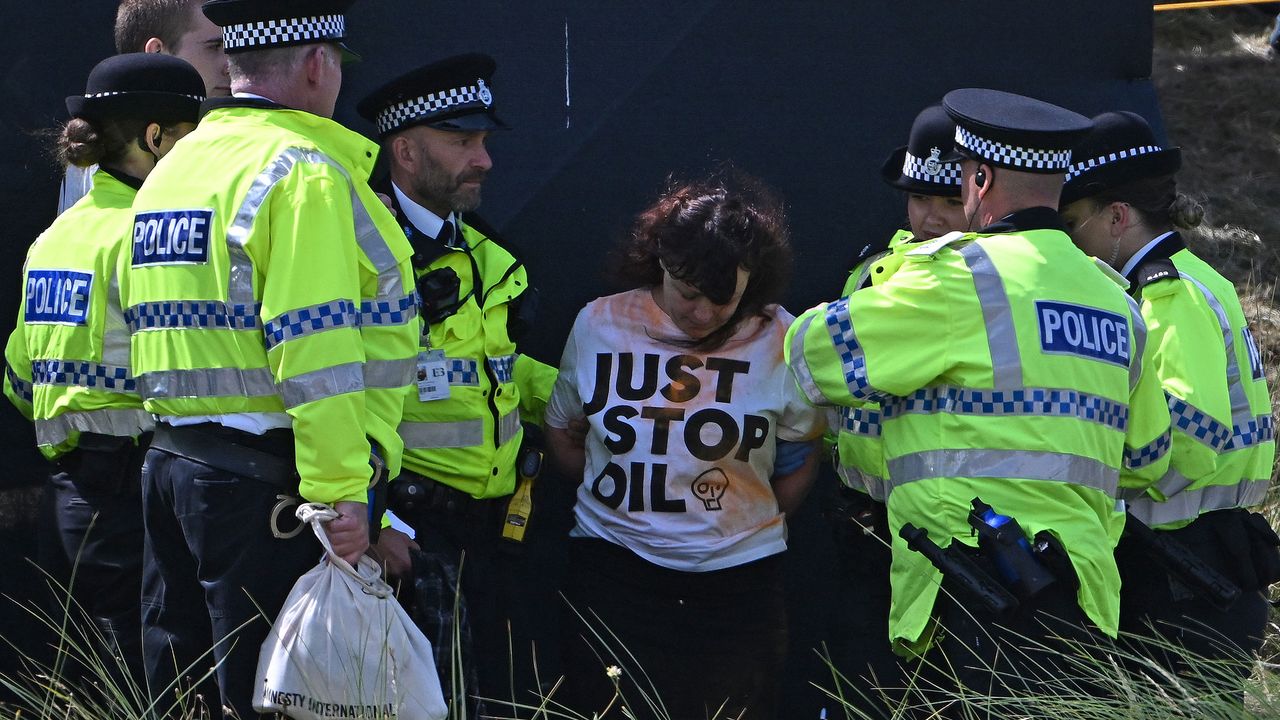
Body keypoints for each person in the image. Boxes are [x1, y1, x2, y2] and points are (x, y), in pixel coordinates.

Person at [786, 89, 1173, 711]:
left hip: (968, 592)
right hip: (1083, 599)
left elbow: (812, 357)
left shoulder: (957, 276)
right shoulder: (1117, 302)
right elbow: (1149, 458)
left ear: (980, 177)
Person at [119, 1, 419, 717]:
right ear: (319, 65)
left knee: (182, 697)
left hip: (170, 468)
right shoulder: (303, 171)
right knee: (273, 698)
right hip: (264, 491)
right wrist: (343, 488)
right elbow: (314, 347)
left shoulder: (175, 167)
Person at [545, 172, 826, 719]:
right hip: (614, 573)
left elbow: (797, 456)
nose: (701, 314)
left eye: (723, 301)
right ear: (659, 263)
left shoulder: (781, 338)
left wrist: (731, 521)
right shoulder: (600, 323)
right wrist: (628, 502)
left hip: (737, 588)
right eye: (688, 293)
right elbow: (562, 430)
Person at [354, 53, 558, 714]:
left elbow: (492, 370)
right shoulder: (359, 254)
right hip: (407, 539)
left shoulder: (484, 253)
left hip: (491, 541)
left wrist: (586, 393)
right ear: (406, 152)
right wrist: (372, 520)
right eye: (463, 142)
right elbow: (323, 391)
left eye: (484, 142)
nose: (484, 160)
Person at [2, 52, 203, 690]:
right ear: (154, 139)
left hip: (70, 501)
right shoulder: (151, 238)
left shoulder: (57, 236)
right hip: (142, 500)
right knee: (156, 685)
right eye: (190, 138)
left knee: (87, 680)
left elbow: (17, 375)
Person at [1059, 111, 1277, 690]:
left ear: (1117, 217)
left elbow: (1191, 437)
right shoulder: (1192, 274)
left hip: (1184, 569)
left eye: (1073, 223)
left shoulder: (1163, 292)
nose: (1068, 242)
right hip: (1203, 556)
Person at [824, 102, 966, 716]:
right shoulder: (868, 276)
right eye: (917, 197)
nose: (931, 216)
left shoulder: (984, 286)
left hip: (955, 537)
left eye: (948, 199)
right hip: (864, 525)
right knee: (863, 692)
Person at [56, 0, 230, 217]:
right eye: (214, 47)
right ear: (156, 51)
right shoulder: (87, 160)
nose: (230, 64)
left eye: (230, 48)